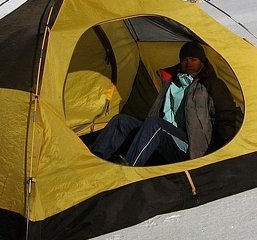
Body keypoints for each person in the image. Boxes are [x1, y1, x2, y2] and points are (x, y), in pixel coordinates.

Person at [91, 41, 242, 166]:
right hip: (165, 134)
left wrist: (223, 151)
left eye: (193, 59)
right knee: (121, 120)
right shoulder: (172, 82)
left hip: (192, 146)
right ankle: (96, 160)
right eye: (184, 60)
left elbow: (226, 116)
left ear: (201, 62)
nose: (188, 63)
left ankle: (130, 168)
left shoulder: (212, 84)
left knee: (155, 125)